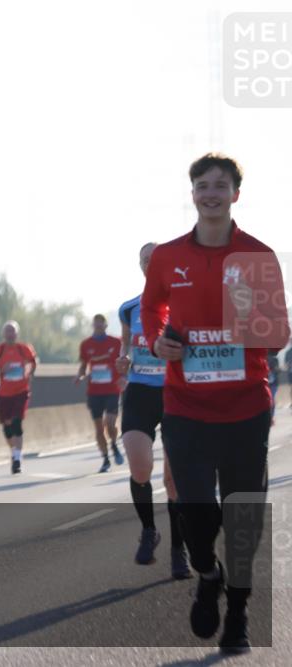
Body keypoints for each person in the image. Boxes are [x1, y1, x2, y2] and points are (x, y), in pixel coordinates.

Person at [142, 153, 289, 654]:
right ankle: (208, 572)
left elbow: (280, 333)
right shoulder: (167, 256)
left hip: (246, 407)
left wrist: (251, 316)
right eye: (202, 185)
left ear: (235, 195)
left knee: (243, 514)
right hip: (185, 405)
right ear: (192, 194)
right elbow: (151, 307)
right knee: (196, 514)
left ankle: (240, 615)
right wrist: (158, 340)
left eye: (220, 186)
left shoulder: (259, 255)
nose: (211, 193)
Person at [115, 242, 190, 577]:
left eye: (155, 258)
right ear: (141, 266)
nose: (150, 263)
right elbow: (126, 347)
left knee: (173, 482)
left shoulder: (185, 304)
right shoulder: (130, 307)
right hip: (140, 393)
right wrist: (122, 361)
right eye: (146, 260)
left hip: (176, 394)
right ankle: (149, 530)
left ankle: (179, 550)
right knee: (139, 466)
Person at [76, 314, 125, 472]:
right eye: (95, 324)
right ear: (93, 326)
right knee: (98, 428)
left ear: (105, 326)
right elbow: (84, 365)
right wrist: (80, 375)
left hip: (112, 389)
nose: (98, 327)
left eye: (100, 324)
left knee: (110, 424)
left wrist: (124, 377)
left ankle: (114, 444)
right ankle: (105, 459)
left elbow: (124, 361)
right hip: (94, 391)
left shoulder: (116, 342)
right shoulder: (85, 344)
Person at [0, 321, 37, 474]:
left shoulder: (24, 349)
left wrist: (28, 370)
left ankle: (17, 459)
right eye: (7, 331)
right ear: (3, 334)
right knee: (7, 427)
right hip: (3, 393)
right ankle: (14, 451)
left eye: (12, 331)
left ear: (17, 334)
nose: (10, 334)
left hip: (21, 391)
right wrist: (1, 370)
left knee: (17, 422)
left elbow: (32, 363)